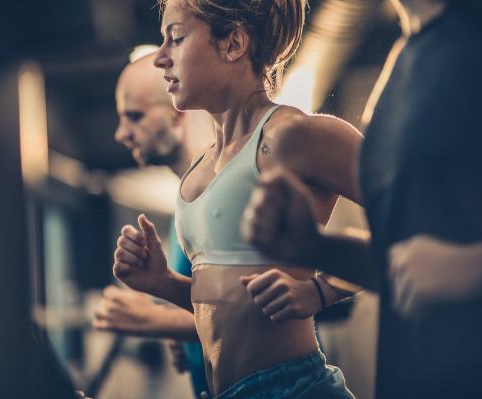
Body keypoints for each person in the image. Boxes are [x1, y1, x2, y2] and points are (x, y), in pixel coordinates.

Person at [111, 0, 363, 397]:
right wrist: (163, 283)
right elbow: (227, 308)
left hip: (292, 388)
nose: (160, 59)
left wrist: (319, 291)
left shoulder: (289, 136)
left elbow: (408, 221)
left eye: (175, 39)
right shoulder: (199, 169)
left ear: (233, 44)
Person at [242, 0, 482, 397]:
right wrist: (313, 246)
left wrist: (470, 270)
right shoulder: (408, 58)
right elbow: (406, 267)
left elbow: (446, 269)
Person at [94, 51, 211, 397]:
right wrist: (188, 337)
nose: (121, 134)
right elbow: (216, 305)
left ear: (177, 113)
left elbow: (276, 315)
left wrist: (157, 321)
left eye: (134, 116)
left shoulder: (222, 191)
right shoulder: (185, 205)